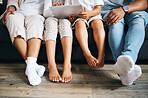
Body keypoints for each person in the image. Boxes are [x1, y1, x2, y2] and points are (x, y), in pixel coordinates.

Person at [101, 0, 148, 85]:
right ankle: (126, 74)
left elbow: (144, 2)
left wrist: (124, 9)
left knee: (138, 21)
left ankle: (128, 58)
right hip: (108, 10)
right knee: (115, 24)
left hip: (133, 8)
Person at [2, 0, 46, 86]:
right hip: (18, 11)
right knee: (11, 18)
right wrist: (11, 8)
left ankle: (30, 67)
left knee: (36, 23)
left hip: (38, 14)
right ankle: (32, 66)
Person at [65, 0, 106, 68]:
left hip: (93, 14)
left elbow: (98, 9)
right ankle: (87, 54)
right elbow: (68, 10)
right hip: (79, 17)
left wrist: (89, 14)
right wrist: (71, 18)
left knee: (98, 23)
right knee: (79, 24)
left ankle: (101, 56)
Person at [43, 0, 73, 83]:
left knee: (65, 24)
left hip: (65, 18)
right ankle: (51, 65)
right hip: (51, 17)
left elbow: (72, 11)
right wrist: (55, 8)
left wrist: (70, 15)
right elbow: (45, 13)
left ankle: (67, 65)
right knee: (51, 24)